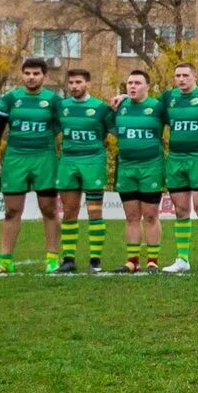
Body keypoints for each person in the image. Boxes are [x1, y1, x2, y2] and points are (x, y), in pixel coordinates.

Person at [0, 58, 62, 276]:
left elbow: (62, 126)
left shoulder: (53, 101)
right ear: (22, 75)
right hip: (15, 159)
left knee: (49, 209)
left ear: (44, 76)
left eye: (36, 73)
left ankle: (52, 259)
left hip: (44, 158)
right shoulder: (10, 99)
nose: (31, 77)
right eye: (27, 73)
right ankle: (5, 261)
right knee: (11, 210)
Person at [160, 63, 198, 271]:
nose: (181, 79)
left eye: (185, 75)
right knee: (180, 210)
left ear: (196, 76)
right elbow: (147, 106)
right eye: (177, 75)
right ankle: (182, 259)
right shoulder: (169, 97)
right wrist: (124, 98)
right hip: (176, 158)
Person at [108, 70, 170, 273]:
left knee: (151, 215)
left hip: (151, 167)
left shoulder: (158, 107)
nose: (132, 86)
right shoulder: (120, 107)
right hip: (126, 168)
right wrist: (123, 98)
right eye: (129, 83)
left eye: (137, 83)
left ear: (147, 86)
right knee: (131, 217)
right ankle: (132, 261)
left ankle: (153, 260)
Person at [54, 69, 115, 274]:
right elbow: (50, 130)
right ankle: (68, 259)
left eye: (78, 82)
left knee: (94, 211)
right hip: (69, 161)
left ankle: (95, 260)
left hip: (93, 161)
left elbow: (117, 130)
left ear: (88, 84)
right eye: (70, 82)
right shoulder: (61, 107)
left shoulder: (100, 108)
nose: (74, 86)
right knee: (69, 211)